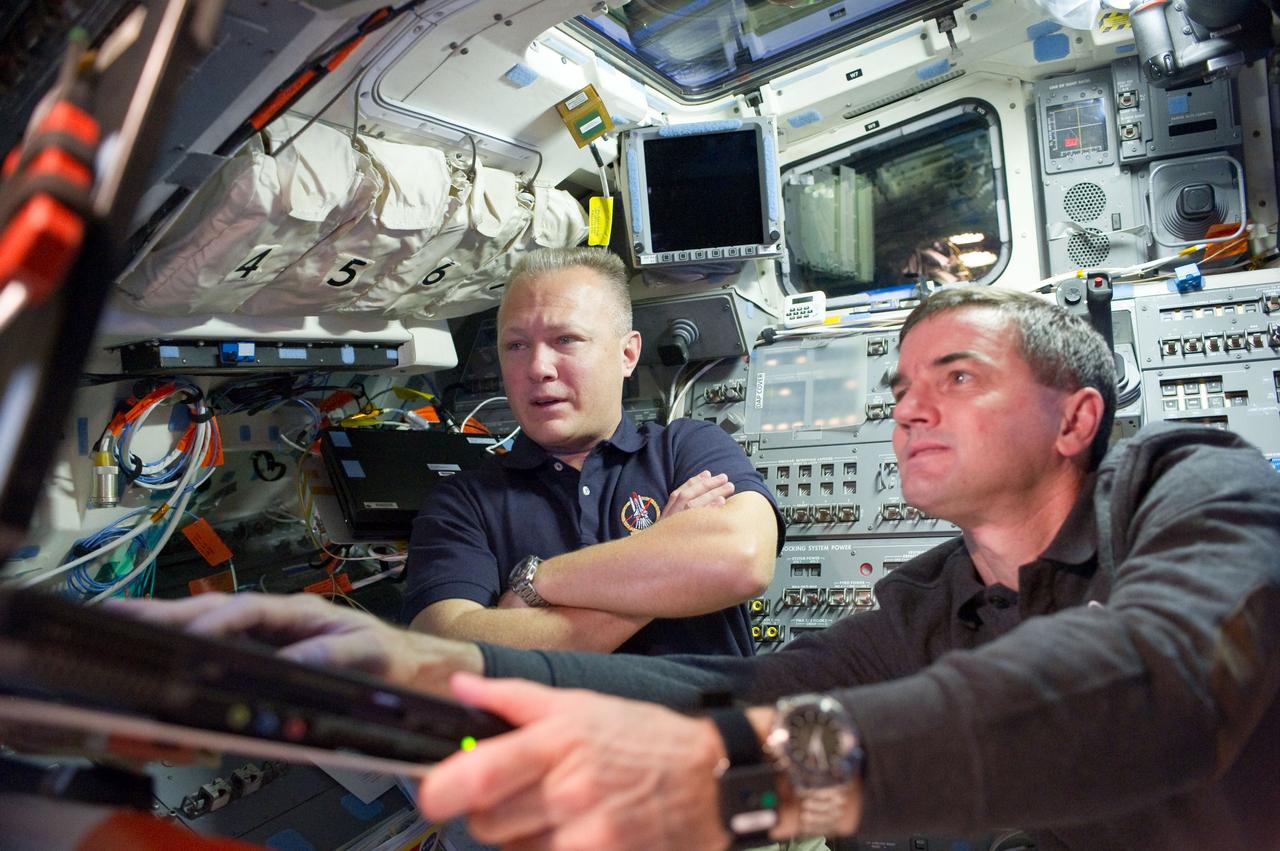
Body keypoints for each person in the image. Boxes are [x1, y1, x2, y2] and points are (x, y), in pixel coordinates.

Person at [116, 287, 1280, 850]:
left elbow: (1164, 678)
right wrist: (438, 666)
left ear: (1074, 418)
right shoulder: (927, 601)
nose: (908, 410)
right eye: (898, 389)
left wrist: (738, 776)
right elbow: (743, 699)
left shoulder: (1194, 486)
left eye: (956, 376)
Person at [402, 245, 782, 658]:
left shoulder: (687, 449)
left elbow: (742, 561)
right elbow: (446, 649)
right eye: (516, 345)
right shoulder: (463, 502)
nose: (537, 367)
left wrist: (537, 583)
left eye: (566, 340)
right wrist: (664, 561)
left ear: (627, 354)